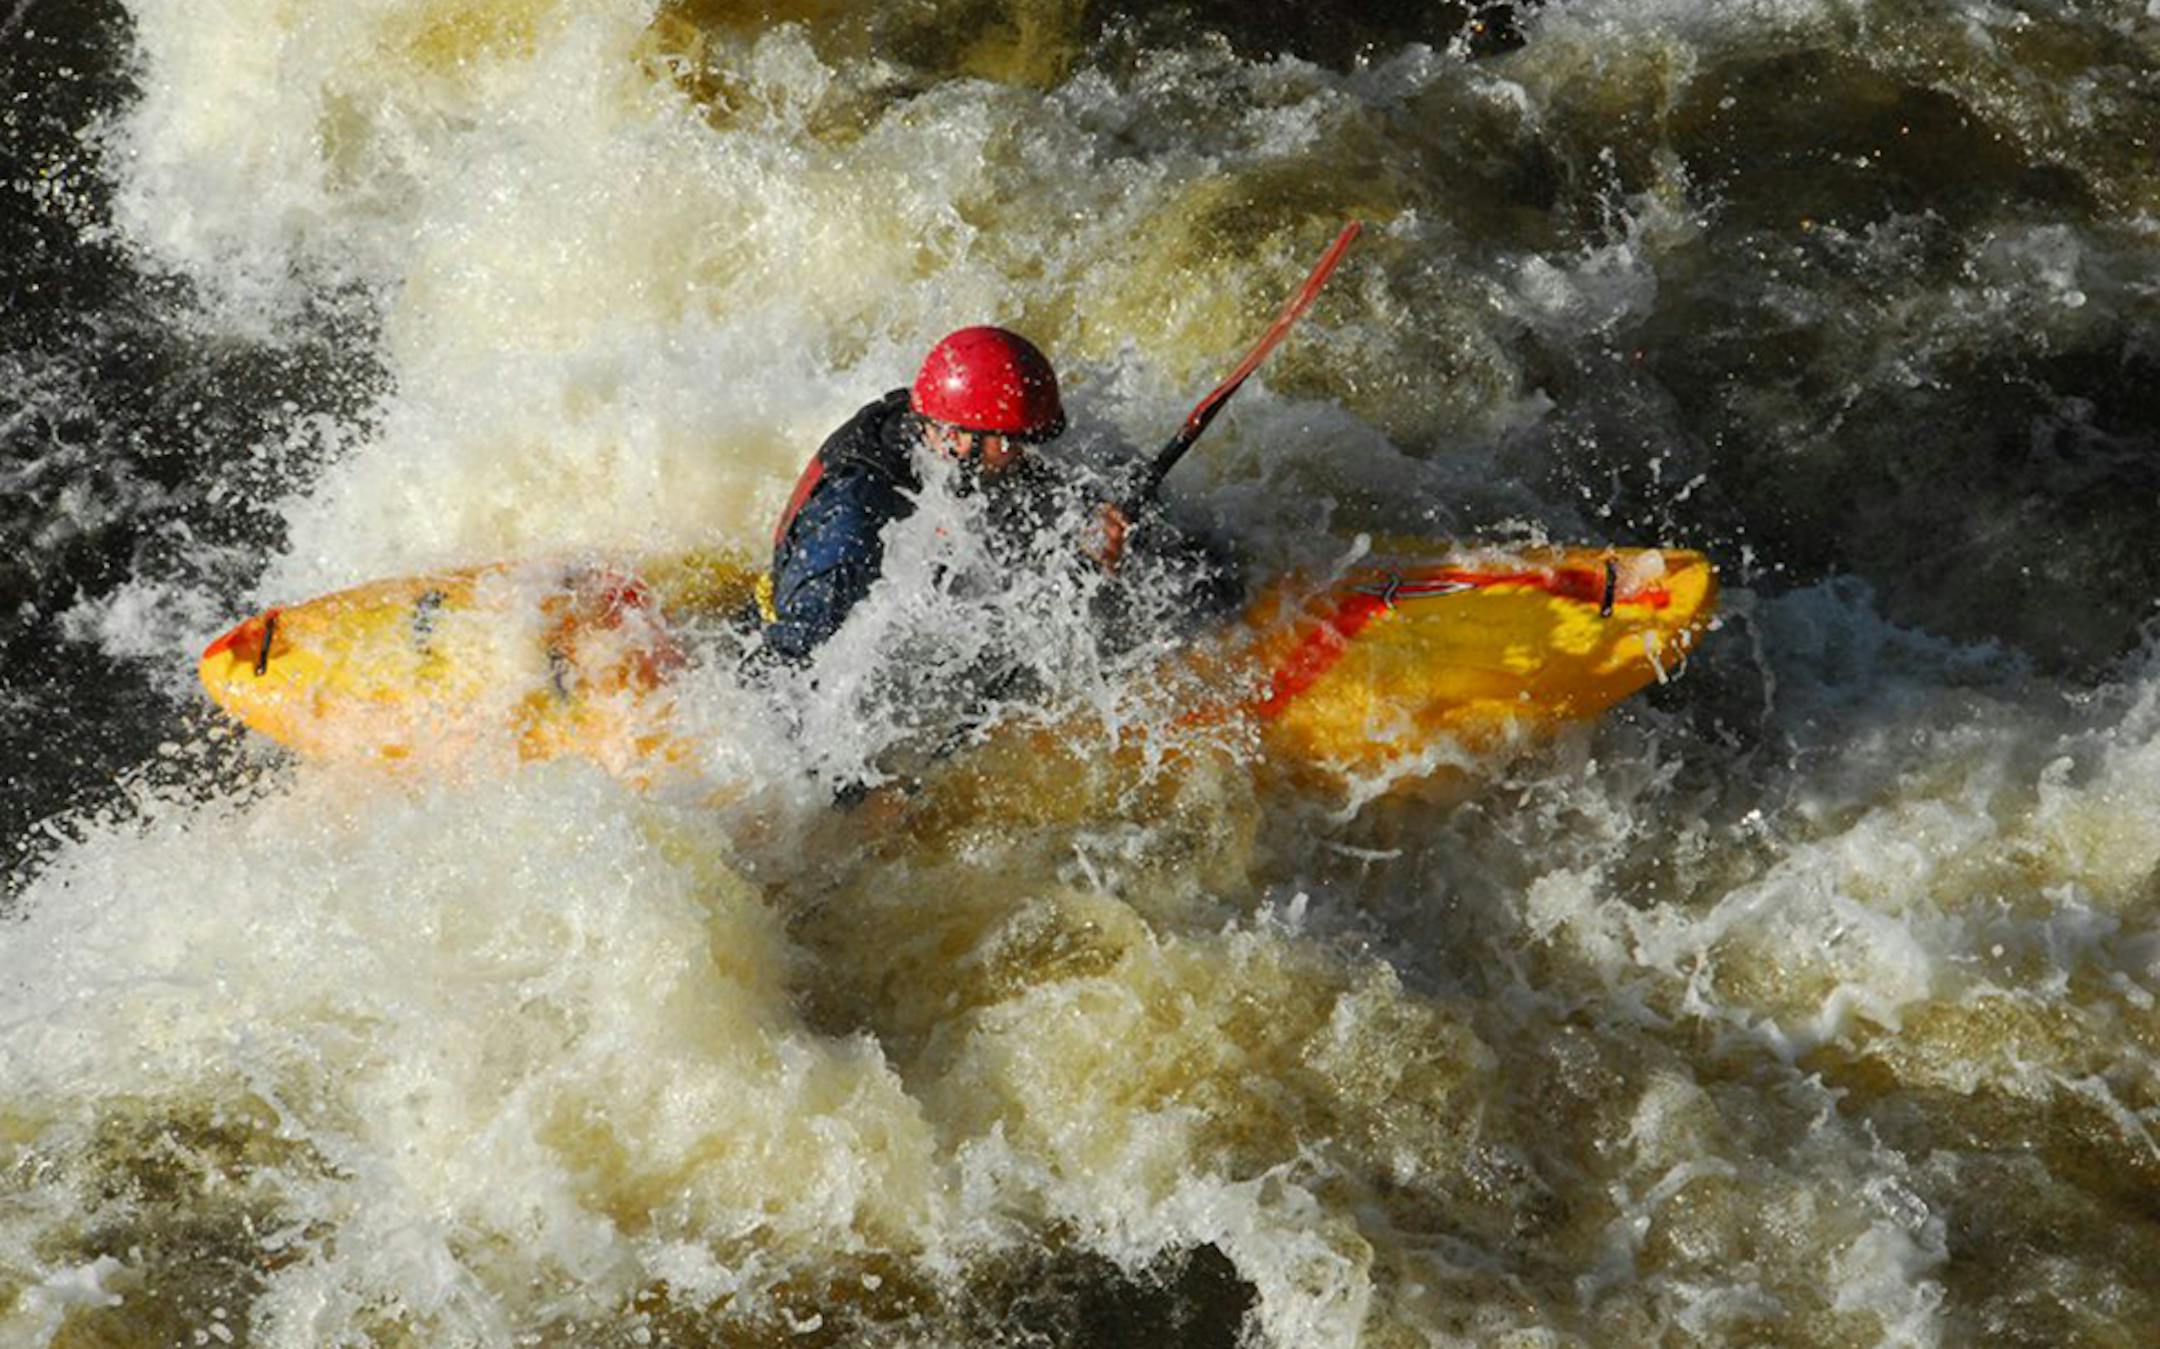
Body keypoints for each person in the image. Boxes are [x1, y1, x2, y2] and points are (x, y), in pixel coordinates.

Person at [761, 326, 1131, 662]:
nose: (1027, 457)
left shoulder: (939, 430)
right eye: (1012, 444)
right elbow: (779, 671)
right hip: (796, 622)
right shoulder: (853, 522)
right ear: (954, 438)